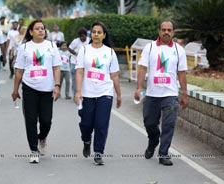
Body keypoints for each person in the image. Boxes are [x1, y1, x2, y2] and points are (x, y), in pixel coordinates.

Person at [134, 20, 188, 166]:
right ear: (159, 31)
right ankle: (153, 140)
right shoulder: (150, 47)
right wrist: (139, 88)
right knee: (149, 123)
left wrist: (184, 93)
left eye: (169, 30)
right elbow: (143, 69)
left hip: (170, 95)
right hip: (152, 95)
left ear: (173, 32)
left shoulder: (178, 50)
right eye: (163, 29)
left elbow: (182, 73)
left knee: (169, 124)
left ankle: (163, 154)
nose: (166, 32)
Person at [11, 19, 61, 164]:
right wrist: (15, 90)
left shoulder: (51, 46)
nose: (41, 30)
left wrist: (57, 86)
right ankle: (34, 150)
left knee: (46, 120)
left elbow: (56, 67)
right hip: (29, 88)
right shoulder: (24, 48)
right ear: (31, 32)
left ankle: (42, 137)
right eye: (37, 28)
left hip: (47, 89)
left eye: (43, 28)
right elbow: (19, 70)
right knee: (30, 120)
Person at [74, 22, 122, 165]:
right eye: (94, 32)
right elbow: (79, 71)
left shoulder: (110, 52)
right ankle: (86, 141)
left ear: (104, 35)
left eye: (99, 32)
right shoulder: (84, 50)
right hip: (87, 93)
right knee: (86, 124)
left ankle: (99, 152)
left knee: (101, 124)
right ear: (91, 34)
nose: (96, 34)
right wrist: (78, 91)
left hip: (105, 92)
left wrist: (118, 94)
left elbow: (114, 75)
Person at [68, 27, 90, 97]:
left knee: (84, 80)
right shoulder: (76, 41)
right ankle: (75, 95)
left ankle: (83, 94)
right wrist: (75, 53)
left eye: (83, 36)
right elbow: (70, 48)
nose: (82, 38)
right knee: (75, 80)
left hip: (85, 63)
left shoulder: (89, 40)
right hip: (74, 62)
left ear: (86, 35)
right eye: (80, 37)